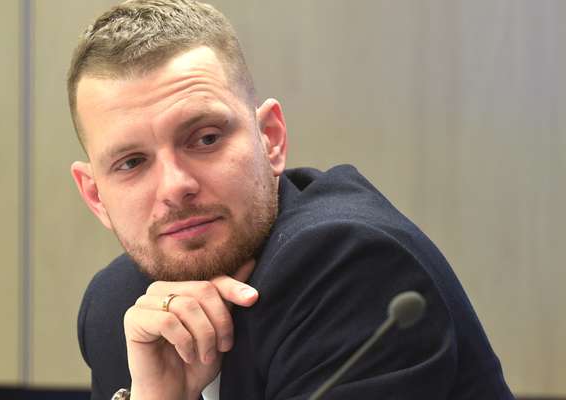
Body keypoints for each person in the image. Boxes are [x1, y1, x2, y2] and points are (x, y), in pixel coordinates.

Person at [68, 1, 515, 399]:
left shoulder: (349, 268)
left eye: (205, 139)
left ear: (271, 139)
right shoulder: (119, 309)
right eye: (131, 163)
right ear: (95, 196)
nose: (174, 186)